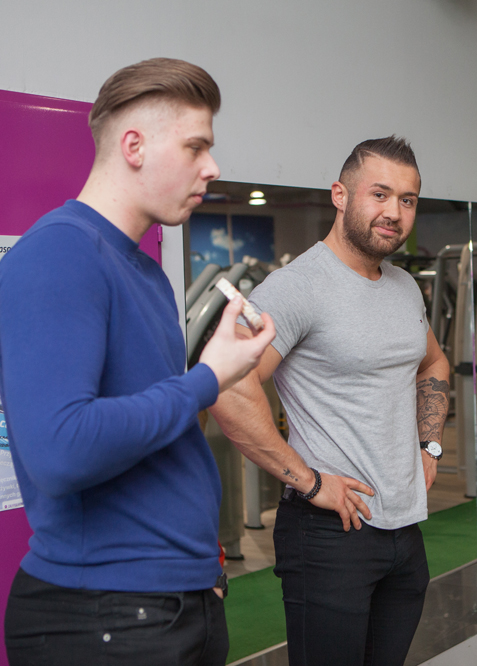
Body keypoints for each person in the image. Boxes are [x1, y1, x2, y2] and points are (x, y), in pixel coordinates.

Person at [0, 58, 276, 665]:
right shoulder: (60, 253)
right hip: (107, 612)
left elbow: (156, 434)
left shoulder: (145, 272)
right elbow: (60, 450)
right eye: (196, 146)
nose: (212, 166)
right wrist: (208, 378)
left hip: (173, 599)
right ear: (134, 146)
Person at [210, 136, 450, 666]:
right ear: (340, 195)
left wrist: (429, 446)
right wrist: (310, 481)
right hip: (329, 533)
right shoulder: (296, 288)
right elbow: (227, 388)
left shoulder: (404, 287)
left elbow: (434, 364)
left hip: (404, 529)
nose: (394, 212)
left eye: (407, 200)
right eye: (380, 194)